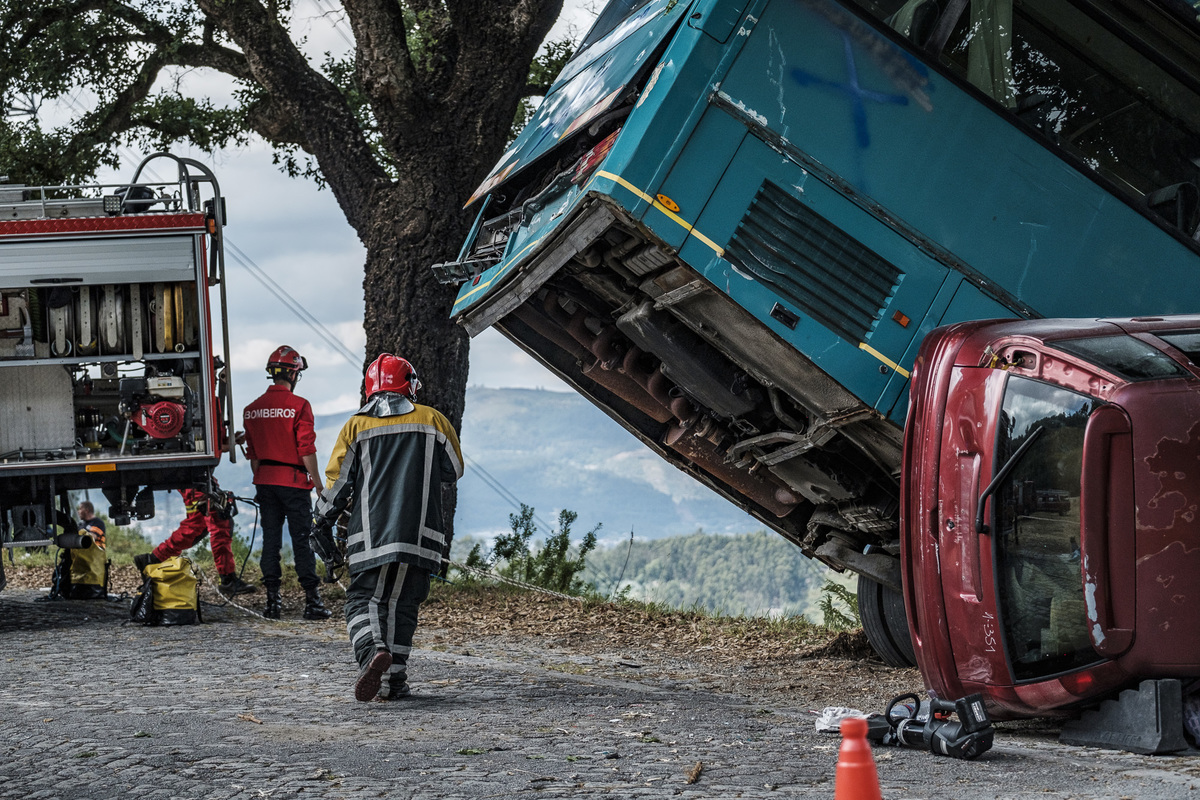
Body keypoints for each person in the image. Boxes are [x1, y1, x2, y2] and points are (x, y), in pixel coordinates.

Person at [312, 353, 462, 701]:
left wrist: (320, 523)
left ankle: (371, 652)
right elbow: (453, 470)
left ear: (370, 388)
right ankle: (393, 682)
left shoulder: (355, 427)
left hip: (371, 536)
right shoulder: (434, 420)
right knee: (403, 605)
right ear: (410, 385)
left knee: (362, 600)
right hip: (421, 536)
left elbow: (337, 486)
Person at [241, 345, 332, 620]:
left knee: (270, 541)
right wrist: (318, 484)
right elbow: (306, 449)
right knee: (302, 540)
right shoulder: (300, 406)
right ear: (293, 374)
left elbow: (254, 456)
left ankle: (272, 603)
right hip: (293, 483)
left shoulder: (251, 410)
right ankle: (312, 602)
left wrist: (261, 481)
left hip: (265, 482)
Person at [132, 481, 256, 596]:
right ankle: (228, 580)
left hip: (194, 476)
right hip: (194, 476)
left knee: (196, 526)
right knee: (219, 523)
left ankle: (152, 559)